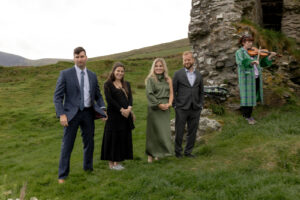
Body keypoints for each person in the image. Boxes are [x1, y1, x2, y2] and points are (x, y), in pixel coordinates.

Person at [54, 47, 107, 183]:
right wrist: (61, 114)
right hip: (71, 115)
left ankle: (88, 169)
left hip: (88, 113)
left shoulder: (92, 75)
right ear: (74, 58)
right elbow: (57, 97)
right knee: (67, 145)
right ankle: (62, 175)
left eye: (82, 56)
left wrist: (102, 109)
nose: (80, 59)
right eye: (77, 57)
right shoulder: (65, 74)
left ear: (86, 57)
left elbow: (98, 95)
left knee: (89, 143)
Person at [235, 35, 276, 125]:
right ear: (243, 43)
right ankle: (247, 116)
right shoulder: (239, 52)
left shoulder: (253, 52)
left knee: (252, 96)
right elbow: (241, 62)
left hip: (256, 77)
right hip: (247, 78)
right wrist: (251, 62)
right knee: (247, 97)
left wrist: (270, 57)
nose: (250, 43)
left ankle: (248, 114)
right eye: (248, 41)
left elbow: (262, 63)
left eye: (251, 41)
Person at [101, 62, 134, 170]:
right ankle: (111, 164)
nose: (120, 73)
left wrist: (129, 109)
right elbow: (109, 100)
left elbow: (130, 98)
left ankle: (118, 162)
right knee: (112, 138)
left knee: (122, 138)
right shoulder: (108, 84)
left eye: (122, 71)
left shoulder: (126, 84)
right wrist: (121, 110)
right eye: (118, 71)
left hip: (125, 117)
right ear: (114, 71)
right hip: (114, 116)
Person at [173, 51, 204, 158]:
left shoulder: (199, 75)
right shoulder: (178, 74)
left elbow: (201, 91)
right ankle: (178, 153)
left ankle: (188, 152)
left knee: (192, 131)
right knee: (179, 131)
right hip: (181, 108)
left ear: (193, 60)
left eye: (189, 59)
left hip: (195, 108)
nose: (187, 62)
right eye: (185, 60)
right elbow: (173, 91)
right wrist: (175, 105)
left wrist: (200, 105)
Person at [145, 58, 174, 163]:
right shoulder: (151, 79)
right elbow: (149, 94)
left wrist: (170, 103)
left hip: (166, 108)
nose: (158, 68)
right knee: (153, 133)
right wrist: (159, 104)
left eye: (160, 66)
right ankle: (150, 155)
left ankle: (159, 154)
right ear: (154, 67)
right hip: (155, 108)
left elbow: (171, 93)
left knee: (163, 132)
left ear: (164, 67)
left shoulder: (168, 79)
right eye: (156, 66)